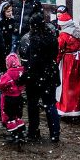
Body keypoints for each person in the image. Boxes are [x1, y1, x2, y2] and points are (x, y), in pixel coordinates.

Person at [19, 14, 61, 143]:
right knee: (50, 104)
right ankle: (54, 133)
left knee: (33, 105)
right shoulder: (52, 36)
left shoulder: (33, 39)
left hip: (36, 77)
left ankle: (33, 132)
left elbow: (33, 61)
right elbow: (54, 54)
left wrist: (24, 77)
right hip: (50, 74)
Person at [56, 12, 80, 117]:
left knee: (68, 85)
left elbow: (59, 50)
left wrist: (56, 62)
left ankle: (68, 109)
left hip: (69, 61)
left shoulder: (63, 35)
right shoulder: (79, 30)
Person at [0, 53, 28, 141]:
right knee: (17, 116)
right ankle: (21, 130)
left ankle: (14, 134)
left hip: (9, 98)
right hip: (19, 97)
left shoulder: (8, 74)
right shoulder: (22, 72)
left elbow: (0, 85)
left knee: (10, 117)